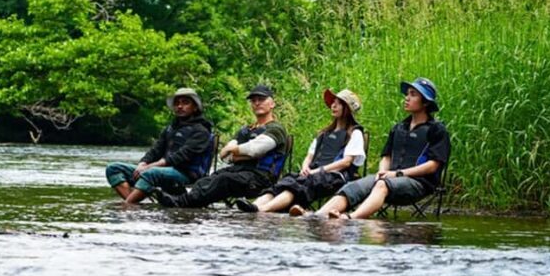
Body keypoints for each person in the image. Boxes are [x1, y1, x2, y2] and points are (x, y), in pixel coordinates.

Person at [316, 77, 450, 219]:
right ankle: (316, 216)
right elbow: (386, 157)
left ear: (425, 102)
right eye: (407, 94)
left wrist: (397, 174)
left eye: (413, 94)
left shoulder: (437, 130)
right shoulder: (398, 128)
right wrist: (382, 171)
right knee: (353, 186)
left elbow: (433, 166)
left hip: (419, 184)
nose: (407, 98)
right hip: (390, 178)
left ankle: (351, 218)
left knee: (381, 184)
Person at [155, 85, 288, 208]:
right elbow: (225, 155)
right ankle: (182, 200)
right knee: (209, 178)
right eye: (254, 101)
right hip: (240, 172)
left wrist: (238, 152)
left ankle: (180, 203)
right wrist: (239, 154)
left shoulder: (276, 129)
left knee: (224, 180)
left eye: (261, 99)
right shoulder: (246, 130)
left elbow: (255, 150)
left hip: (260, 179)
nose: (257, 103)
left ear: (272, 104)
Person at [235, 88, 365, 214]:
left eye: (339, 103)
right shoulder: (324, 133)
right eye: (333, 102)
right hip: (313, 173)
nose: (333, 105)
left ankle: (262, 210)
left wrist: (317, 171)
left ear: (347, 109)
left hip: (335, 176)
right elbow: (310, 156)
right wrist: (305, 168)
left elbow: (346, 162)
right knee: (287, 181)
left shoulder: (354, 133)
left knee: (299, 186)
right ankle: (254, 205)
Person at [105, 87, 213, 204]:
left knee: (150, 172)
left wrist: (150, 167)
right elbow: (155, 150)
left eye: (185, 103)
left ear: (195, 107)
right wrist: (143, 163)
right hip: (162, 170)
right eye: (177, 103)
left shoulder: (201, 131)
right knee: (113, 168)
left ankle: (127, 207)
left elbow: (181, 156)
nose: (180, 106)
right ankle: (133, 205)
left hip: (187, 174)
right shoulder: (170, 128)